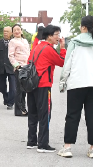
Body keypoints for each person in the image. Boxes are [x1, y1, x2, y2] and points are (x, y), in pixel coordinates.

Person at [58, 16, 93, 159]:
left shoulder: (75, 42)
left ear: (83, 27)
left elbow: (67, 64)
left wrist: (62, 82)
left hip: (77, 83)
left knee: (72, 115)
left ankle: (67, 147)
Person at [26, 25, 66, 153]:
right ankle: (43, 144)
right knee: (45, 114)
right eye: (56, 35)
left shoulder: (36, 46)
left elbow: (29, 61)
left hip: (32, 84)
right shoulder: (49, 49)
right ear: (49, 36)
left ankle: (31, 141)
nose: (58, 37)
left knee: (33, 113)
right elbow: (62, 62)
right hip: (43, 85)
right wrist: (63, 48)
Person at [8, 24, 30, 116]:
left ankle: (23, 108)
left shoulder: (25, 41)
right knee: (19, 90)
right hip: (19, 67)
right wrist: (16, 65)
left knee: (24, 90)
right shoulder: (12, 42)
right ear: (13, 33)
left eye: (18, 29)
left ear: (21, 31)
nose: (17, 31)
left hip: (27, 67)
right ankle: (19, 110)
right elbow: (10, 55)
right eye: (15, 30)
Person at [0, 26, 15, 110]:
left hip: (12, 68)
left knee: (13, 87)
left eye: (7, 31)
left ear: (11, 33)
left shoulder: (14, 43)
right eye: (4, 31)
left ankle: (10, 103)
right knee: (1, 86)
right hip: (2, 67)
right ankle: (6, 96)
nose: (5, 33)